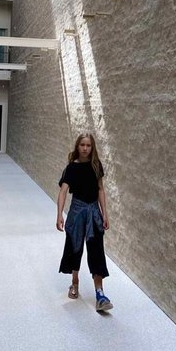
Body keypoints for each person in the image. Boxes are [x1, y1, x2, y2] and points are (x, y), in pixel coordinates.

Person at [56, 133, 113, 312]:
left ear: (92, 147)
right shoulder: (71, 168)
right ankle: (75, 282)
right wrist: (59, 214)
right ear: (77, 146)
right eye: (82, 145)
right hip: (77, 213)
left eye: (88, 145)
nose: (85, 148)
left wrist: (105, 214)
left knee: (96, 251)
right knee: (75, 249)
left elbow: (101, 190)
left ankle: (100, 293)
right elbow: (63, 191)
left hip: (94, 213)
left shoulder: (96, 166)